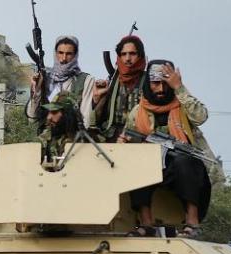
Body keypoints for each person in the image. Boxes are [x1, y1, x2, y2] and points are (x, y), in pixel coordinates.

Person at [118, 60, 218, 238]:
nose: (161, 89)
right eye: (156, 83)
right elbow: (127, 138)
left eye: (165, 84)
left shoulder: (182, 105)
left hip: (182, 166)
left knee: (185, 161)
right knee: (138, 163)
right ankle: (146, 223)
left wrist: (179, 87)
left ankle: (192, 222)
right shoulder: (137, 112)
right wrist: (124, 143)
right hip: (152, 167)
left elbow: (201, 116)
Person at [26, 35, 96, 129]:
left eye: (69, 54)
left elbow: (86, 120)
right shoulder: (46, 79)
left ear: (75, 55)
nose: (63, 58)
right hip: (47, 139)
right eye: (60, 53)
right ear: (55, 54)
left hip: (73, 139)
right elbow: (32, 118)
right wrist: (37, 90)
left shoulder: (86, 80)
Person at [93, 34, 147, 141]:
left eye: (132, 53)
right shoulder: (113, 82)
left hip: (138, 137)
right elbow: (95, 120)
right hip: (110, 137)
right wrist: (97, 99)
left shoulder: (148, 82)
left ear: (140, 55)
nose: (127, 58)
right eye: (123, 54)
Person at [38, 93, 81, 169]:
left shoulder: (82, 141)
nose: (49, 117)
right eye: (49, 112)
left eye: (54, 112)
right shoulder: (46, 136)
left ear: (67, 114)